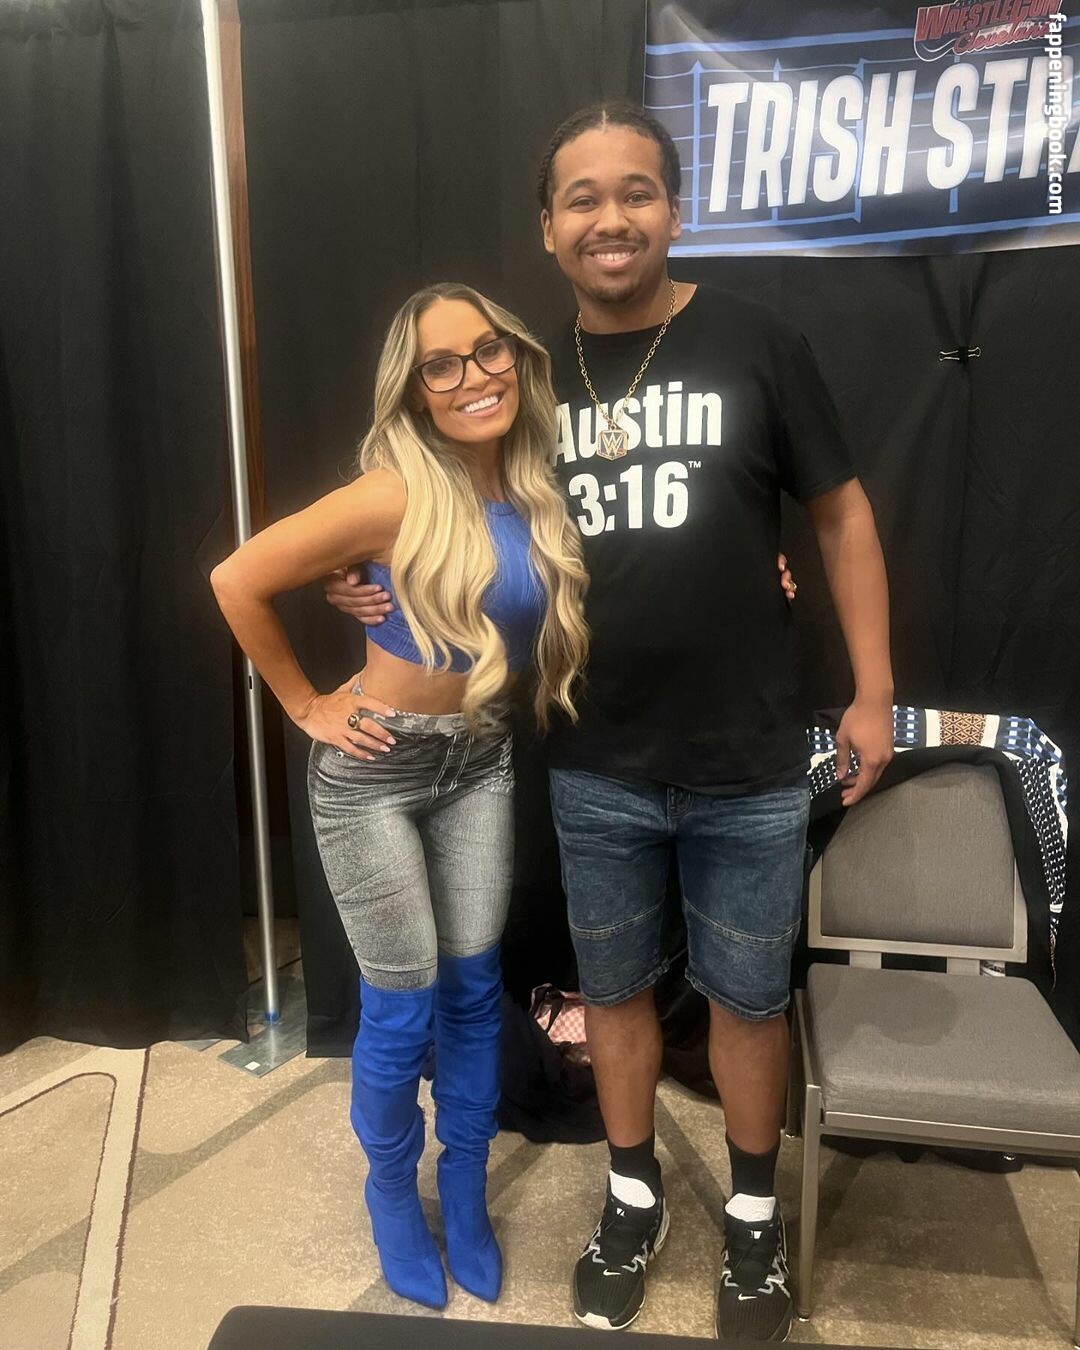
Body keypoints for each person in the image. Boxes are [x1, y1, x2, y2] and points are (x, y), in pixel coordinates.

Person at [327, 104, 894, 1343]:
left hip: (747, 752)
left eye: (636, 190)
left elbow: (842, 515)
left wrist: (872, 688)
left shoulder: (759, 342)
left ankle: (754, 1220)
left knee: (749, 1001)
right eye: (581, 198)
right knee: (616, 992)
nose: (611, 217)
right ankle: (632, 1196)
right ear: (547, 227)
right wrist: (356, 578)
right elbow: (433, 508)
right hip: (593, 755)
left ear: (674, 210)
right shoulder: (522, 387)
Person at [211, 282, 589, 1311]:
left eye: (488, 351)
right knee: (401, 1003)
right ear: (416, 389)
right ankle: (391, 1190)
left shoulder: (533, 488)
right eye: (442, 364)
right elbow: (237, 580)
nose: (473, 377)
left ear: (516, 358)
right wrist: (304, 704)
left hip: (480, 763)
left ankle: (461, 1188)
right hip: (375, 773)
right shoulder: (392, 491)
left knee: (472, 990)